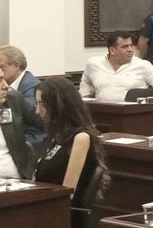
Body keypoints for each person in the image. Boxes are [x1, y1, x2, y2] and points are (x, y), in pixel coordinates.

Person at [34, 77, 109, 214]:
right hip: (43, 204)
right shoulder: (55, 135)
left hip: (60, 213)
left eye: (42, 104)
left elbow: (68, 193)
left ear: (58, 105)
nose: (37, 111)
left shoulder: (80, 138)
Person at [79, 31, 153, 102]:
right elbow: (86, 83)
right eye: (125, 47)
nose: (130, 50)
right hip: (101, 112)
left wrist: (148, 102)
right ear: (112, 50)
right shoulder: (94, 64)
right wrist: (85, 99)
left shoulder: (142, 65)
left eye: (131, 45)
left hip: (133, 113)